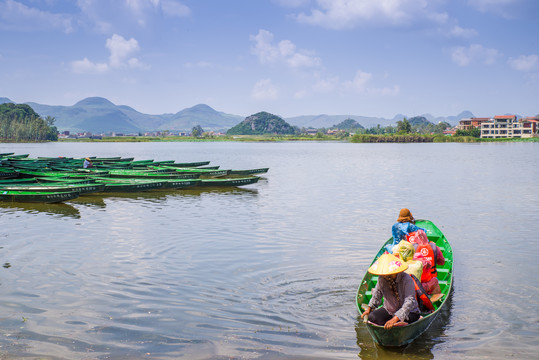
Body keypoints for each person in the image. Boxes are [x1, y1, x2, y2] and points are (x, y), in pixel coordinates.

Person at [360, 253, 421, 329]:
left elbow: (409, 301)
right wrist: (369, 308)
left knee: (402, 320)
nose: (384, 275)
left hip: (409, 312)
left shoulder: (407, 279)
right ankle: (391, 323)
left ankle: (397, 323)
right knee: (372, 317)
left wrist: (395, 318)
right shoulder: (382, 278)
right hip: (389, 310)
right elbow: (377, 293)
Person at [409, 229, 445, 295]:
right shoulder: (435, 247)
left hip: (416, 283)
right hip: (430, 279)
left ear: (415, 239)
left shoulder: (412, 248)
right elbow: (442, 262)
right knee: (435, 280)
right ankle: (435, 299)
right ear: (426, 237)